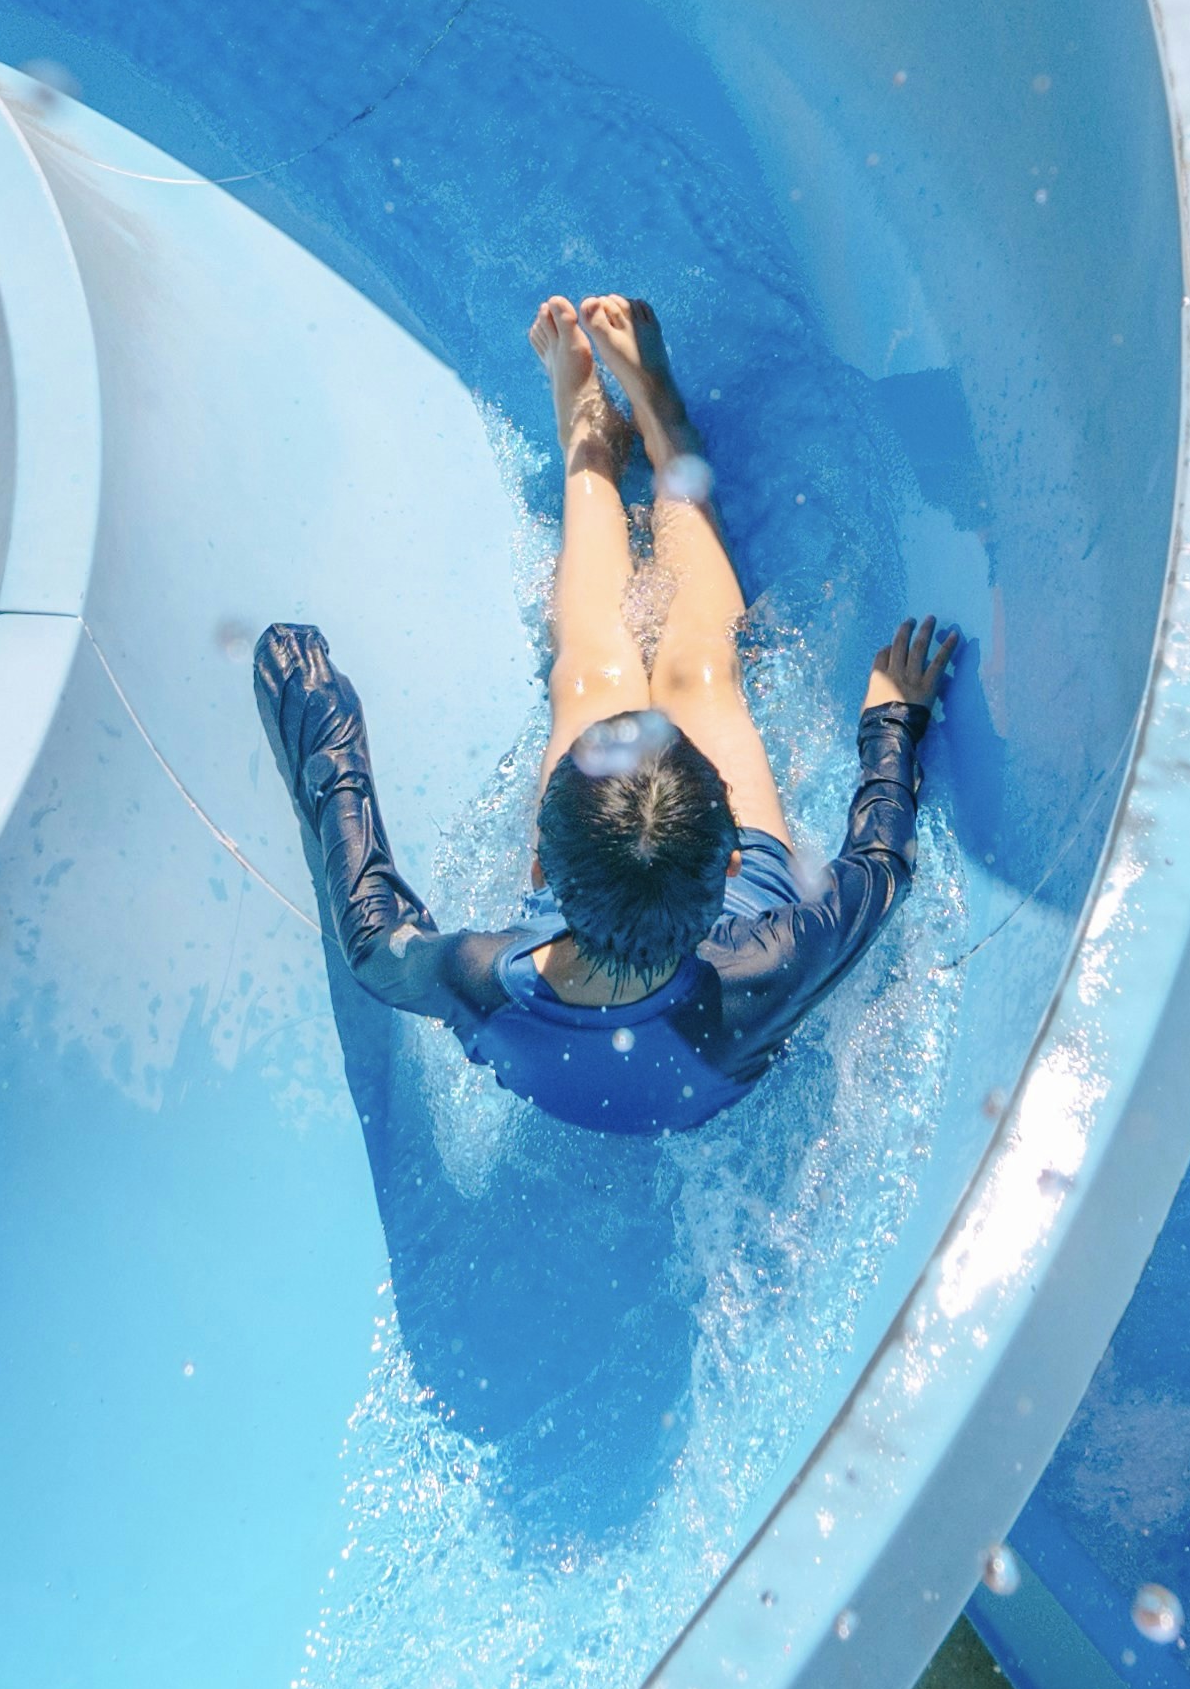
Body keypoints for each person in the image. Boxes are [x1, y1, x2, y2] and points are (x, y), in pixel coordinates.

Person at [252, 295, 955, 1129]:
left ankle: (589, 445)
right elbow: (880, 868)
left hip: (590, 922)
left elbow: (375, 946)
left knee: (589, 677)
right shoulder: (769, 964)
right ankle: (662, 429)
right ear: (731, 859)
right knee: (699, 672)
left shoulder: (491, 980)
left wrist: (328, 739)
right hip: (704, 958)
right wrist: (890, 723)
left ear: (540, 864)